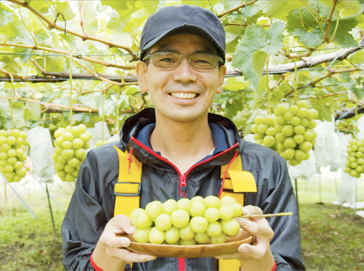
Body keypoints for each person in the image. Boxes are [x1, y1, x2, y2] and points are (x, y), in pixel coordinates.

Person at [62, 4, 305, 271]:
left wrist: (261, 263)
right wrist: (107, 257)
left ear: (220, 77)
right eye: (167, 59)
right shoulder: (101, 167)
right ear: (143, 75)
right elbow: (77, 262)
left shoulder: (266, 167)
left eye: (202, 60)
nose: (185, 75)